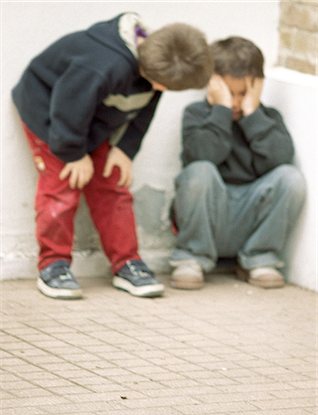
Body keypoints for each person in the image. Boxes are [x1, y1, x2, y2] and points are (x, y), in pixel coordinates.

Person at [12, 12, 213, 300]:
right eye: (163, 86)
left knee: (112, 184)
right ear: (149, 67)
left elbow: (144, 109)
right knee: (61, 186)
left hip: (89, 120)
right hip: (51, 116)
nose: (161, 91)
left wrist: (125, 150)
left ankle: (127, 262)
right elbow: (68, 105)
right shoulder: (103, 66)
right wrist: (73, 154)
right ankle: (53, 265)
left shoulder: (158, 67)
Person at [169, 36, 306, 290]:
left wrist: (252, 114)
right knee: (200, 171)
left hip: (248, 217)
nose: (234, 102)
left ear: (257, 88)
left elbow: (279, 160)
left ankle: (259, 258)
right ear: (212, 84)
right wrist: (220, 110)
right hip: (209, 218)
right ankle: (192, 257)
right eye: (228, 93)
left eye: (242, 93)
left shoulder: (267, 118)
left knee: (290, 177)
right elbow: (203, 155)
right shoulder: (196, 115)